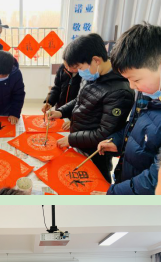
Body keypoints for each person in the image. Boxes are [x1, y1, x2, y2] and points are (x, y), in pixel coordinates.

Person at [48, 33, 135, 182]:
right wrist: (61, 112)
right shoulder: (95, 74)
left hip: (96, 153)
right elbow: (81, 99)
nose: (80, 72)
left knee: (95, 182)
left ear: (96, 60)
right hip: (81, 143)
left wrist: (72, 139)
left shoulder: (120, 91)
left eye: (80, 67)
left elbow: (104, 133)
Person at [95, 23, 161, 195]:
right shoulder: (148, 93)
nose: (132, 86)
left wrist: (115, 193)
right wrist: (117, 141)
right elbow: (135, 128)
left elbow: (154, 180)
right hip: (127, 179)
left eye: (136, 80)